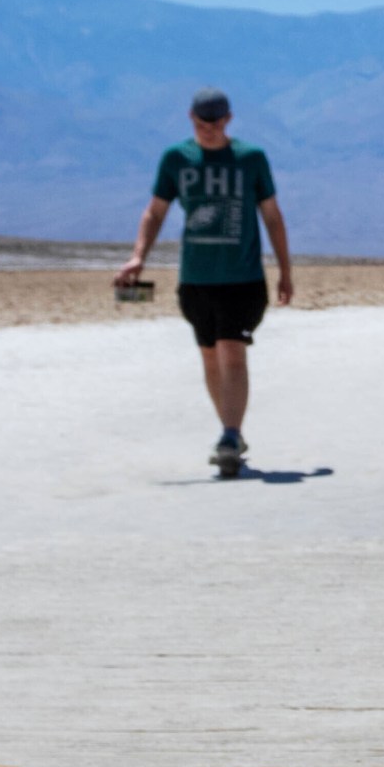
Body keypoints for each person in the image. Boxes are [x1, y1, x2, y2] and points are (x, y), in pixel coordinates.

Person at [114, 87, 293, 477]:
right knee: (210, 354)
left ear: (228, 119)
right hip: (196, 278)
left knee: (232, 349)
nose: (208, 129)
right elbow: (155, 212)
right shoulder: (177, 159)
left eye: (215, 122)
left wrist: (285, 270)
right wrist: (137, 257)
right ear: (190, 119)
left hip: (243, 278)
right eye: (200, 123)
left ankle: (229, 434)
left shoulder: (250, 159)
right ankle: (231, 431)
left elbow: (273, 217)